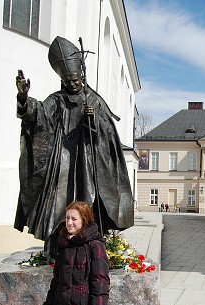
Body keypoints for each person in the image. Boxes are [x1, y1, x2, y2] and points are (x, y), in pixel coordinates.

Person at [15, 36, 134, 257]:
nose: (72, 84)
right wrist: (24, 98)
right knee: (57, 204)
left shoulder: (95, 101)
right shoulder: (57, 99)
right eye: (67, 81)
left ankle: (91, 246)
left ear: (81, 76)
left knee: (88, 202)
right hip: (61, 162)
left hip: (89, 163)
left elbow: (107, 137)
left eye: (75, 80)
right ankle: (57, 246)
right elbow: (39, 114)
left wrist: (93, 120)